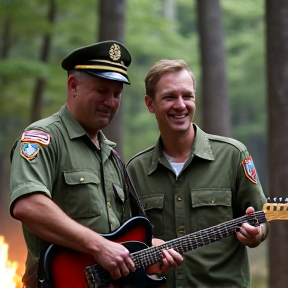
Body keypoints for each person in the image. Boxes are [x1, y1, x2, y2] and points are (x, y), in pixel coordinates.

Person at [9, 42, 183, 288]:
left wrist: (149, 255)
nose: (110, 102)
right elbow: (28, 206)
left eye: (117, 94)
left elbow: (119, 243)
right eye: (102, 90)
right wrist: (100, 246)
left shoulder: (112, 156)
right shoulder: (44, 137)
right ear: (73, 86)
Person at [126, 59, 269, 288]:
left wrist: (257, 233)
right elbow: (129, 241)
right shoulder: (134, 170)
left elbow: (263, 217)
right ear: (150, 104)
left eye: (187, 96)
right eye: (169, 97)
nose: (180, 105)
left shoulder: (233, 155)